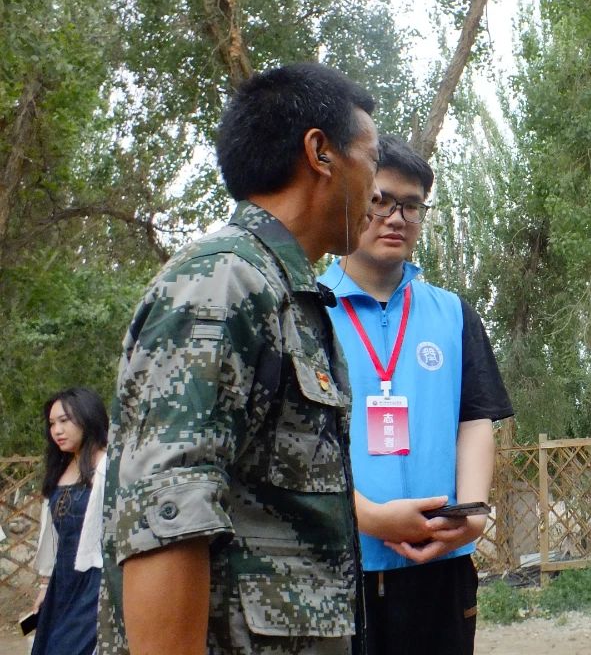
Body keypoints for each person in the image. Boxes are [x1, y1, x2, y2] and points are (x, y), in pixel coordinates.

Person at [98, 62, 382, 655]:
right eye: (372, 160)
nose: (377, 190)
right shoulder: (223, 282)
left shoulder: (284, 293)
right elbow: (167, 514)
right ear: (320, 153)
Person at [318, 135, 514, 655]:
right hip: (339, 563)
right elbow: (292, 441)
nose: (396, 218)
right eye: (380, 200)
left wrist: (473, 515)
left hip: (442, 563)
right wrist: (365, 516)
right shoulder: (308, 308)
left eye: (411, 205)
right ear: (352, 197)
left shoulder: (453, 314)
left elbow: (475, 418)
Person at [30, 387, 109, 655]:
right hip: (63, 580)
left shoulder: (108, 466)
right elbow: (52, 535)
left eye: (64, 420)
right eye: (52, 424)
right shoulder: (60, 468)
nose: (57, 430)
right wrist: (45, 585)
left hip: (96, 581)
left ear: (87, 417)